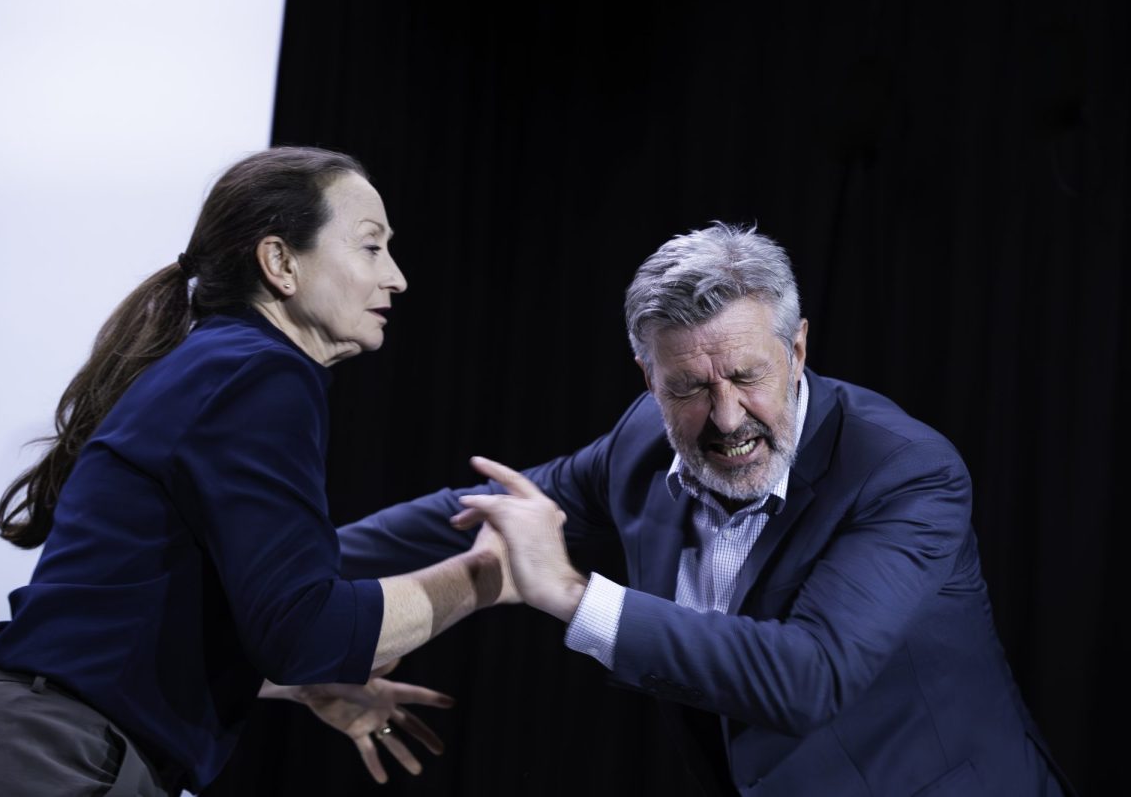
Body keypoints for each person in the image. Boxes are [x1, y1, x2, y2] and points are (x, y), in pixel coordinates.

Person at [336, 223, 1077, 795]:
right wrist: (296, 563)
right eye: (689, 387)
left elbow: (807, 675)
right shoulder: (639, 439)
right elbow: (488, 510)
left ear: (798, 348)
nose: (727, 418)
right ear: (647, 376)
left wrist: (569, 595)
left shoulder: (904, 471)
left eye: (749, 376)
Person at [0, 147, 516, 796]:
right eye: (371, 247)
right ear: (280, 262)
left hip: (36, 746)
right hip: (50, 756)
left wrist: (292, 679)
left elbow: (154, 602)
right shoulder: (261, 372)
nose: (397, 277)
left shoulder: (221, 364)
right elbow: (307, 628)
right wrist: (491, 573)